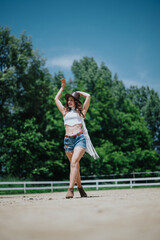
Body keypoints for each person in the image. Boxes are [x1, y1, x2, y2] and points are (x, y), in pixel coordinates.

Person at [55, 78, 99, 199]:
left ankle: (70, 189)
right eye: (68, 100)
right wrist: (62, 88)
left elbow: (88, 96)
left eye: (71, 100)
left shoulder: (81, 112)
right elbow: (56, 99)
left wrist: (79, 92)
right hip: (68, 140)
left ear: (75, 101)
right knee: (75, 166)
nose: (69, 102)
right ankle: (80, 188)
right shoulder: (64, 112)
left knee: (74, 163)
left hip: (80, 139)